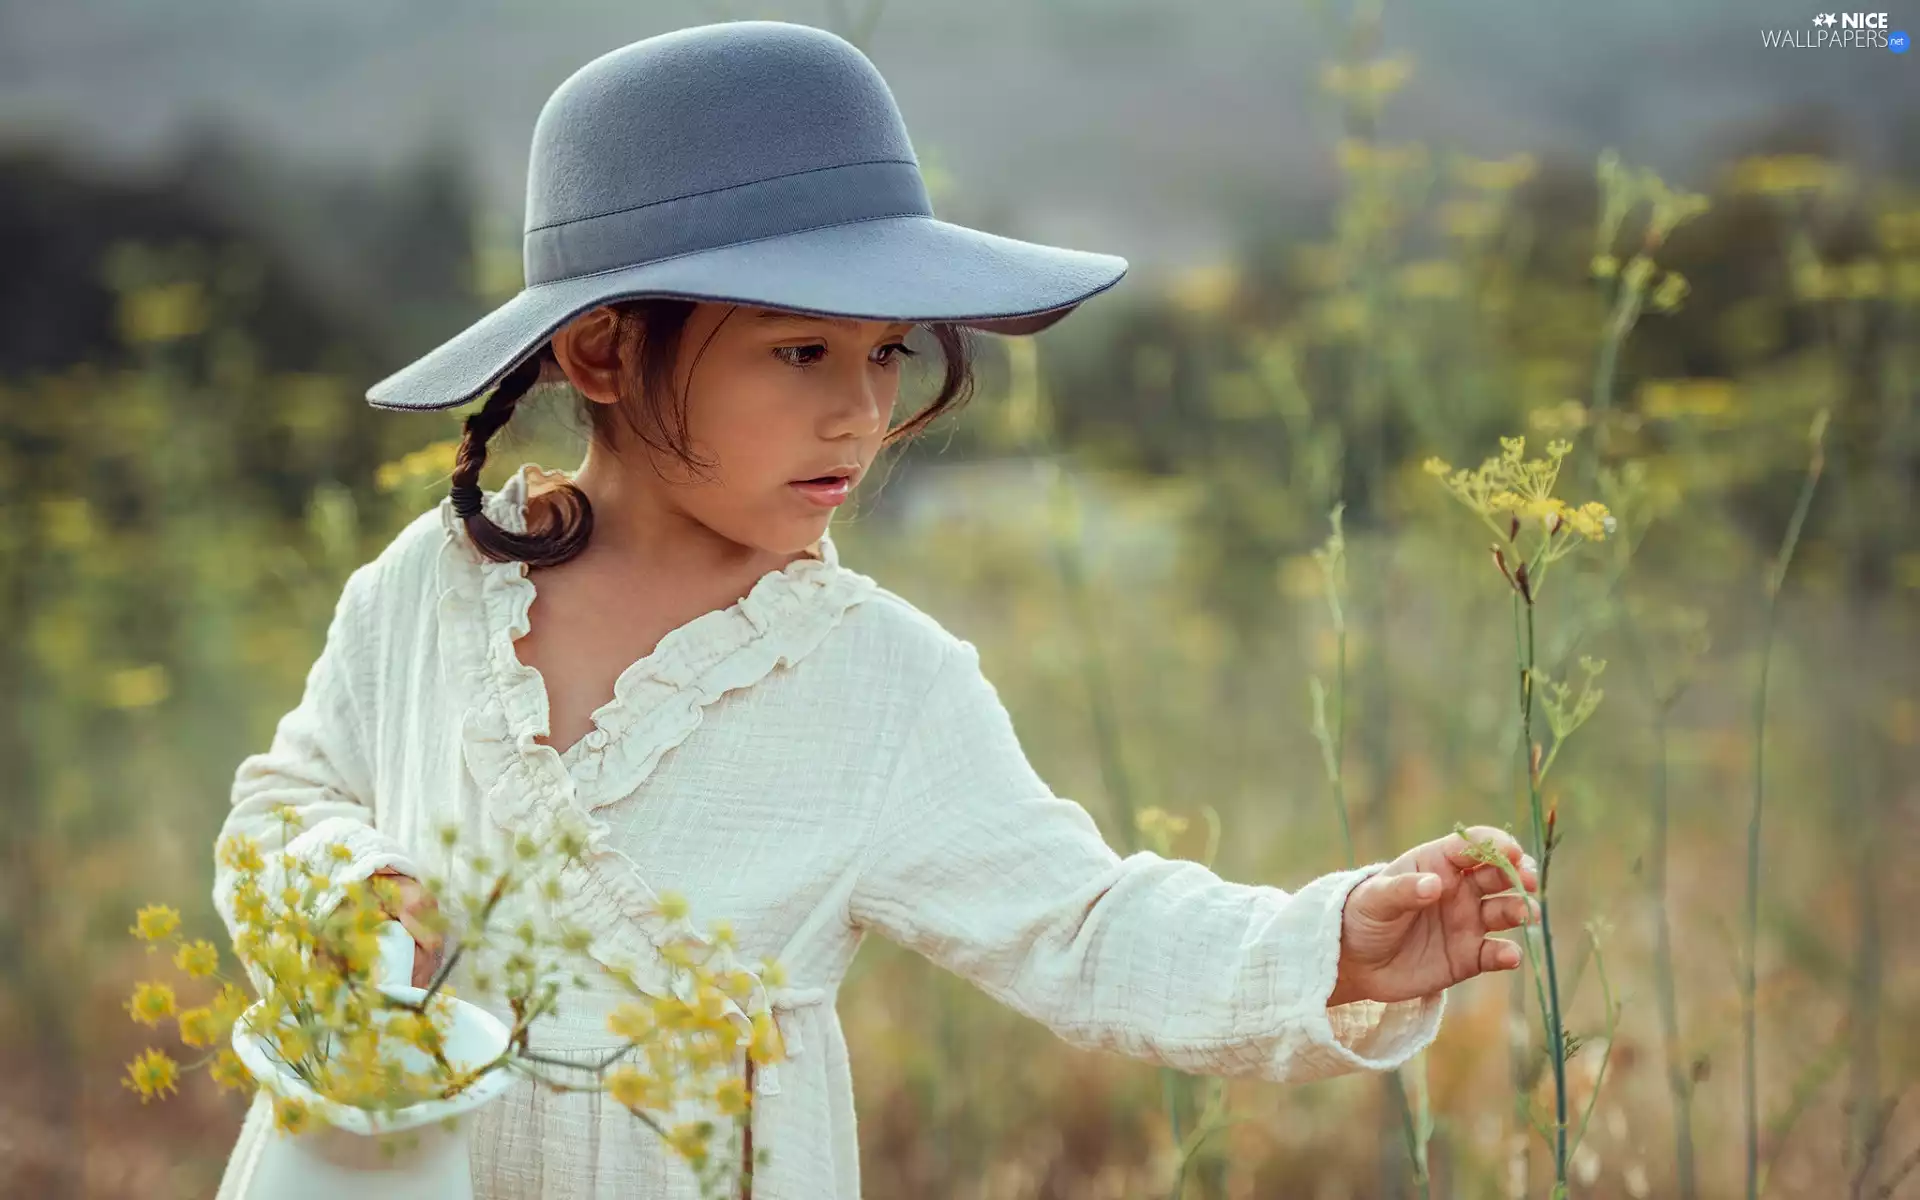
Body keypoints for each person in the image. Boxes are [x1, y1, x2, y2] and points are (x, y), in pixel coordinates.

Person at [208, 20, 1538, 1200]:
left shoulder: (881, 680)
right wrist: (350, 892)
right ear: (602, 350)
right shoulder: (432, 591)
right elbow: (282, 804)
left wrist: (1329, 945)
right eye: (801, 350)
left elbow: (1081, 927)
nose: (860, 412)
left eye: (886, 352)